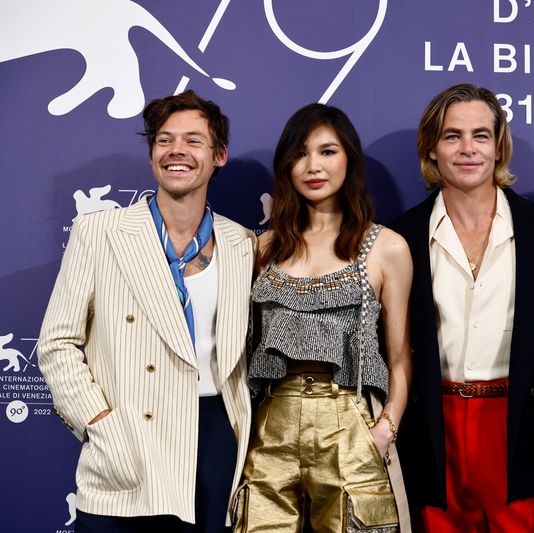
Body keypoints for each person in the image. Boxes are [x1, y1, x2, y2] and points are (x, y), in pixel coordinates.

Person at [38, 90, 256, 531]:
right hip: (129, 433)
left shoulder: (243, 244)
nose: (177, 150)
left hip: (215, 437)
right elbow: (57, 342)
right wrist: (100, 423)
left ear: (219, 156)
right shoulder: (100, 231)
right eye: (164, 140)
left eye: (194, 141)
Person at [390, 83, 534, 532]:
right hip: (434, 429)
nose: (467, 149)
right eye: (452, 136)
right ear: (432, 149)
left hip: (520, 429)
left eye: (480, 136)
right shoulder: (399, 237)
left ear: (499, 147)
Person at [234, 103, 413, 533]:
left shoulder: (387, 247)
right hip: (271, 422)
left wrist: (385, 429)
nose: (313, 166)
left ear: (348, 158)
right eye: (300, 154)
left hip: (349, 418)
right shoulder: (263, 248)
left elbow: (401, 356)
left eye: (327, 151)